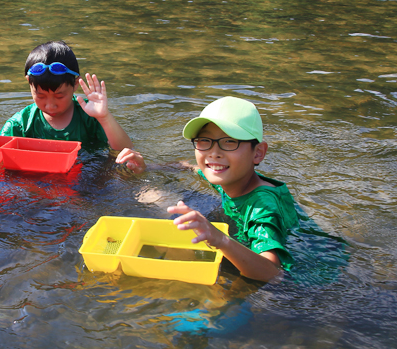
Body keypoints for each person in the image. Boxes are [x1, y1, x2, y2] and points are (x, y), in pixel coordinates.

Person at [117, 97, 299, 282]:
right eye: (205, 141)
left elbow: (273, 273)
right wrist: (148, 167)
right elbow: (188, 166)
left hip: (297, 287)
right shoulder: (227, 175)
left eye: (229, 141)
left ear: (258, 152)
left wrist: (220, 239)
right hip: (234, 224)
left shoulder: (263, 207)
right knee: (148, 194)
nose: (214, 153)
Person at [0, 41, 133, 160]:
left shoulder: (89, 116)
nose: (50, 104)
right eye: (40, 96)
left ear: (75, 84)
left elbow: (124, 150)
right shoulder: (21, 123)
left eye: (60, 96)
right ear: (29, 84)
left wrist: (104, 117)